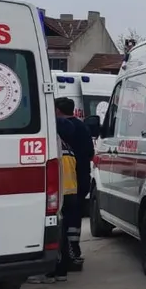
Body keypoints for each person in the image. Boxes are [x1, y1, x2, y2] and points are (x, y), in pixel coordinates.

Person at [56, 98, 93, 269]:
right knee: (75, 216)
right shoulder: (82, 127)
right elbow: (90, 152)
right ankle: (74, 250)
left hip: (66, 179)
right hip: (82, 178)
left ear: (58, 110)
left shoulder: (60, 128)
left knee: (63, 218)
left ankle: (65, 255)